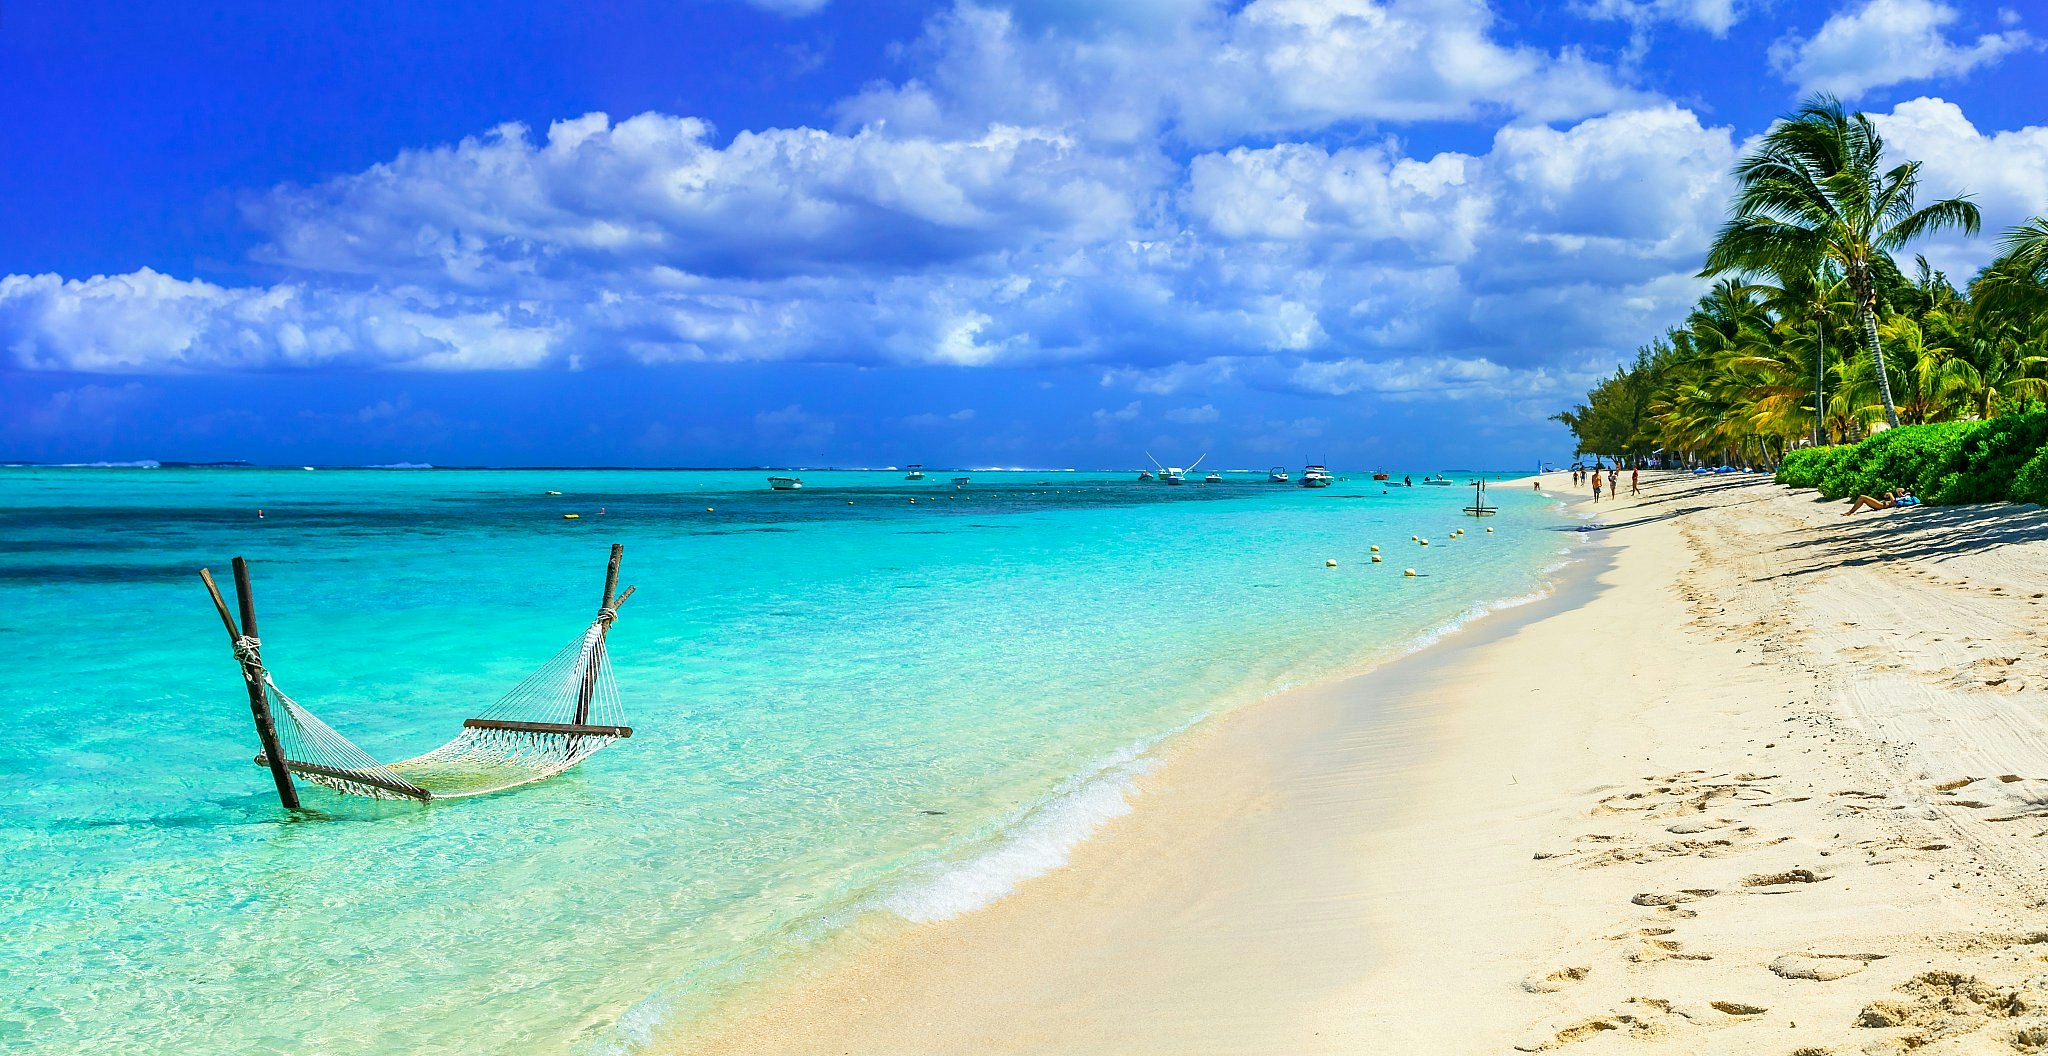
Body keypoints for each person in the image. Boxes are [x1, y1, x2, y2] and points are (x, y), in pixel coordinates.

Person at [1843, 488, 1917, 516]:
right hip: (1882, 503)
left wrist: (1890, 494)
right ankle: (1850, 512)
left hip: (1882, 505)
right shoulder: (1904, 498)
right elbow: (1900, 495)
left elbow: (1894, 503)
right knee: (1863, 498)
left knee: (1862, 497)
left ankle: (1850, 512)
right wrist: (1900, 491)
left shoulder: (1907, 499)